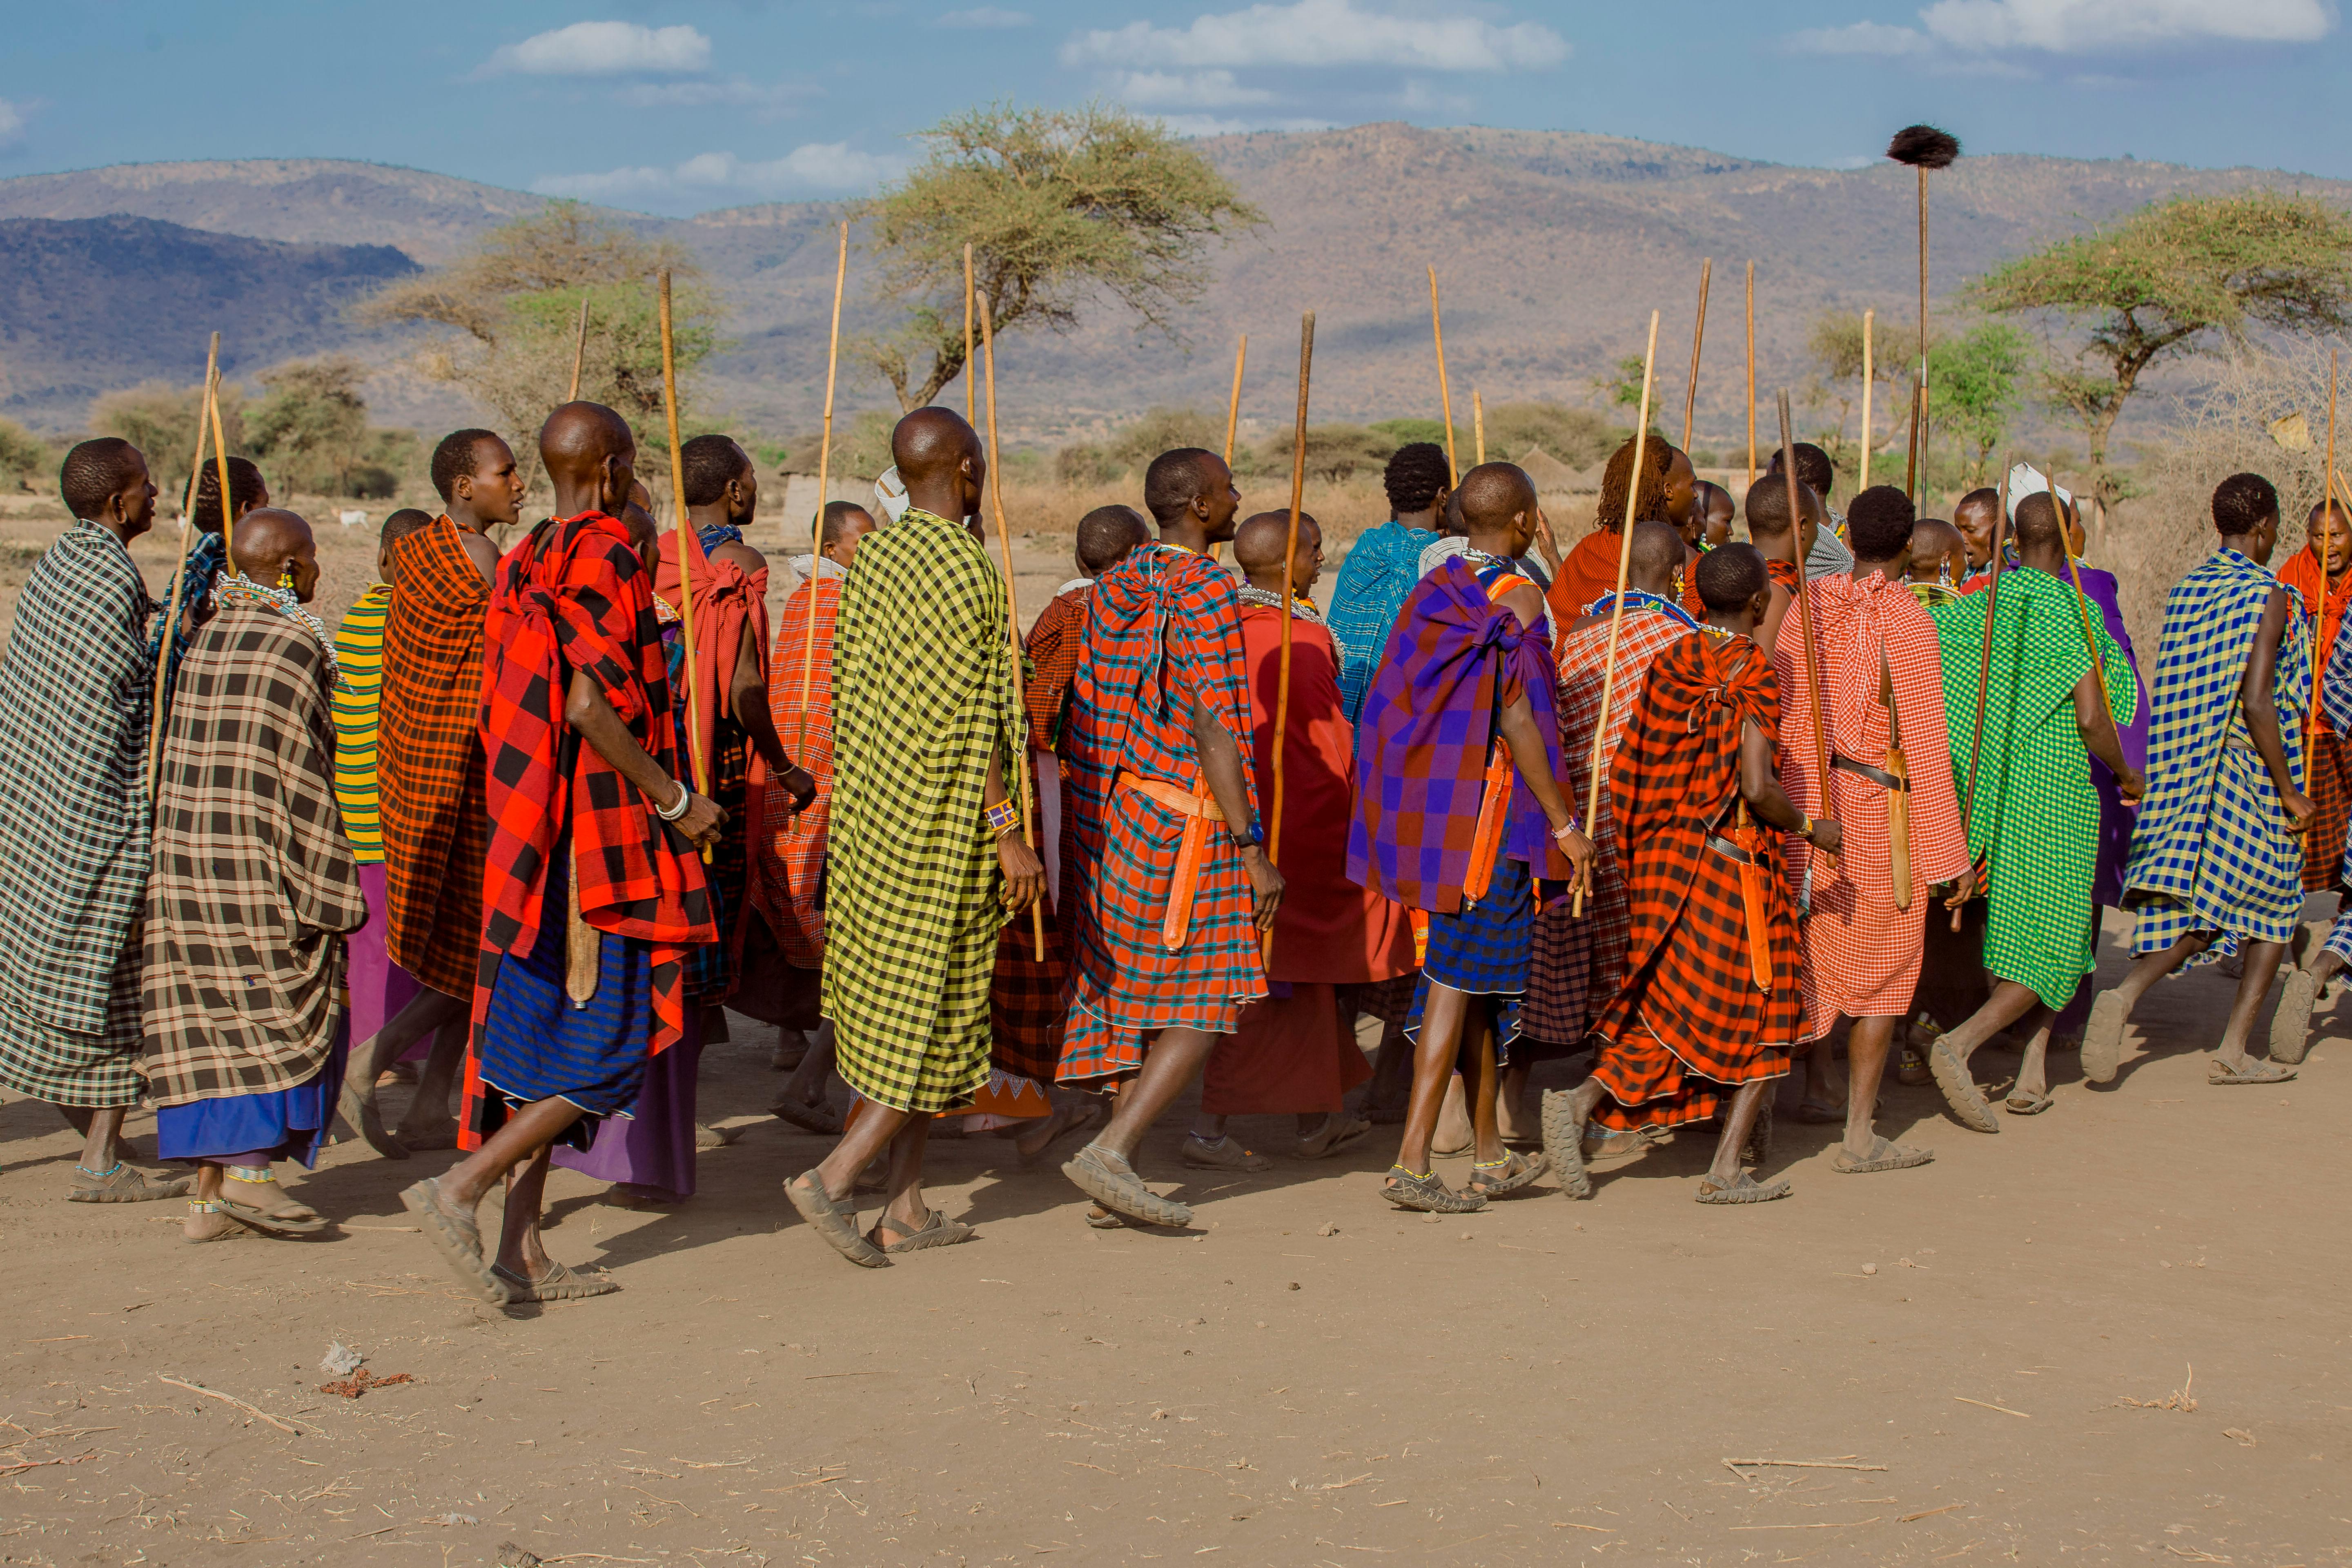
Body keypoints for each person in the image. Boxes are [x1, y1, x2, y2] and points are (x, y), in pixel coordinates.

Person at [401, 402, 723, 1305]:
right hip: (602, 840)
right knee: (606, 1050)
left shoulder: (530, 553)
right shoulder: (609, 555)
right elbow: (588, 705)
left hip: (533, 835)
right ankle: (458, 1188)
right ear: (617, 468)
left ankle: (524, 1249)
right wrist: (677, 799)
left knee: (542, 1048)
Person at [782, 407, 1042, 1266]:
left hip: (873, 819)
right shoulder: (964, 568)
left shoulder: (876, 554)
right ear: (966, 468)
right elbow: (970, 720)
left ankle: (906, 1205)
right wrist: (1007, 831)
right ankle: (838, 1174)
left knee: (911, 1004)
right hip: (943, 824)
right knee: (929, 1010)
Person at [552, 437, 813, 1206]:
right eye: (754, 483)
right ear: (735, 492)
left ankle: (620, 1142)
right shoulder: (739, 568)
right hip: (702, 780)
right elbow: (742, 690)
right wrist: (786, 763)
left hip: (625, 767)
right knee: (689, 961)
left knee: (627, 947)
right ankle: (650, 1147)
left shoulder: (646, 550)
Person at [1543, 544, 1839, 1204]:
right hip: (1735, 872)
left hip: (1667, 865)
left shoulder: (1672, 661)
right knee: (1771, 1011)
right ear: (1760, 604)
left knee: (1670, 1013)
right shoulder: (1755, 670)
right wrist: (1810, 828)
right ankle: (1726, 1170)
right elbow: (1758, 786)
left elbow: (1632, 765)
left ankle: (1582, 1100)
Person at [1353, 463, 1595, 1213]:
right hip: (1493, 828)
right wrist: (1565, 824)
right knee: (1455, 986)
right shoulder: (1514, 599)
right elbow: (1517, 717)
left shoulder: (1440, 588)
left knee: (1481, 992)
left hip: (1443, 817)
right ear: (1524, 521)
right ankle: (1413, 1164)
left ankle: (1490, 1156)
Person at [1058, 447, 1283, 1229]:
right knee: (1210, 993)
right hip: (1193, 815)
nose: (1237, 499)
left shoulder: (1113, 585)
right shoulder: (1207, 589)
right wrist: (1251, 845)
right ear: (1197, 506)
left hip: (1123, 815)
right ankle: (1112, 1152)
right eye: (1227, 490)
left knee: (1143, 996)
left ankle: (1117, 1177)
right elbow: (1213, 722)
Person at [144, 509, 368, 1241]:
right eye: (312, 561)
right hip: (259, 858)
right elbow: (300, 769)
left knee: (206, 1015)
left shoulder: (206, 635)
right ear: (293, 569)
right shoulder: (294, 643)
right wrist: (328, 873)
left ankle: (207, 1200)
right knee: (268, 1005)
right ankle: (249, 1171)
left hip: (187, 857)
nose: (319, 574)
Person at [0, 439, 196, 1203]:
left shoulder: (57, 564)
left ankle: (93, 1134)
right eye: (147, 489)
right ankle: (101, 1159)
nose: (156, 500)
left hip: (37, 805)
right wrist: (173, 639)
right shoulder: (108, 575)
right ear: (118, 504)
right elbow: (124, 696)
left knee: (66, 971)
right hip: (93, 813)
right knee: (121, 977)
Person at [1189, 510, 1415, 1167]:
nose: (1322, 562)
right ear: (1288, 563)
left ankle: (1317, 1121)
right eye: (1314, 552)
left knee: (1298, 978)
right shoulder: (1300, 640)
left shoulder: (1223, 627)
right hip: (1292, 826)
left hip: (1244, 821)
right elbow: (1321, 744)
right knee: (1272, 974)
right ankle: (1208, 1128)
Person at [1916, 491, 2141, 1125]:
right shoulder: (2074, 610)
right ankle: (1959, 1044)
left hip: (1991, 787)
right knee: (2063, 935)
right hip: (2055, 788)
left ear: (2012, 541)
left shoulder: (1979, 607)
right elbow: (2097, 717)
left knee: (2019, 929)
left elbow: (1938, 673)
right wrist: (2126, 772)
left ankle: (2033, 1067)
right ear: (2069, 543)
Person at [1773, 486, 1969, 1168]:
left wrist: (1794, 806)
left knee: (1812, 955)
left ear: (1846, 537)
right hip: (1881, 814)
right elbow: (1925, 745)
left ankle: (1817, 1087)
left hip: (1809, 803)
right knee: (1886, 972)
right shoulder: (1913, 625)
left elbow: (1785, 708)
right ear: (1912, 547)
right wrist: (1951, 856)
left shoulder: (1808, 604)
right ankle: (1857, 1132)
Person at [2093, 473, 2310, 1088]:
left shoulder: (2191, 589)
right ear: (2266, 527)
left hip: (2185, 770)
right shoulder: (2268, 594)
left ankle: (2130, 989)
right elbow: (2259, 702)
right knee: (2274, 904)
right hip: (2248, 769)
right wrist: (2289, 788)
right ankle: (2235, 1048)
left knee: (2202, 899)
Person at [359, 428, 516, 1155]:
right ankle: (375, 1056)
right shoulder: (476, 557)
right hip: (465, 774)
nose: (517, 484)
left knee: (472, 945)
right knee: (484, 946)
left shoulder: (416, 551)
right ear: (463, 488)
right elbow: (507, 656)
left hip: (416, 766)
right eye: (504, 473)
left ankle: (430, 1106)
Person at [981, 503, 1152, 1162]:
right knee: (1072, 944)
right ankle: (1069, 1094)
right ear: (1140, 553)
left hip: (1086, 792)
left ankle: (1076, 1092)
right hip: (1077, 798)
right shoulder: (1091, 614)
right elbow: (1038, 717)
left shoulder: (1069, 613)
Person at [1521, 522, 1695, 1104]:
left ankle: (1610, 1067)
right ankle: (1623, 1086)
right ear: (1676, 576)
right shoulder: (1681, 639)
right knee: (1643, 949)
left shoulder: (1585, 630)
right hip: (1648, 816)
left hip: (1583, 810)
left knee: (1606, 945)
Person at [745, 499, 877, 1128]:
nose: (871, 553)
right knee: (838, 925)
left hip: (803, 773)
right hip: (815, 781)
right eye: (862, 544)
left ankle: (794, 1045)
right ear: (831, 551)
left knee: (814, 917)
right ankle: (811, 1073)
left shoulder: (817, 598)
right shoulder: (824, 604)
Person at [332, 508, 435, 1120]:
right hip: (391, 810)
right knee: (386, 941)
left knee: (373, 940)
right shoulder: (408, 620)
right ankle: (379, 1054)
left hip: (358, 806)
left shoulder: (360, 616)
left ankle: (390, 1048)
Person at [1329, 444, 1449, 730]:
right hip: (1402, 722)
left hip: (1339, 715)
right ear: (1444, 497)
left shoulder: (1367, 549)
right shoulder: (1442, 562)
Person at [2276, 494, 2352, 896]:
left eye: (2338, 535)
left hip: (2348, 724)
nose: (2331, 546)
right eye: (2320, 537)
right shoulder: (2293, 575)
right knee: (2295, 836)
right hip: (2303, 724)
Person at [1547, 435, 1686, 623]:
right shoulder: (1680, 560)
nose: (1695, 495)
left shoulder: (1588, 549)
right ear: (1667, 491)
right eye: (1692, 485)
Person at [1743, 473, 1822, 655]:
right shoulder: (1775, 589)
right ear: (1802, 526)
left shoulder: (1741, 571)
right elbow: (1765, 669)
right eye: (1816, 525)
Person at [1766, 441, 1857, 579]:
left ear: (1789, 487)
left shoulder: (1768, 544)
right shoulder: (1854, 541)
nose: (1764, 492)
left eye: (1769, 483)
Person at [1907, 516, 1968, 608]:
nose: (1966, 565)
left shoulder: (1894, 604)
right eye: (1963, 556)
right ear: (1946, 561)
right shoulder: (1966, 614)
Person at [1952, 488, 2002, 592]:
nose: (1962, 539)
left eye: (1970, 530)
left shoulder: (2004, 578)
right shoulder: (1971, 570)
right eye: (1958, 530)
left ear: (1998, 530)